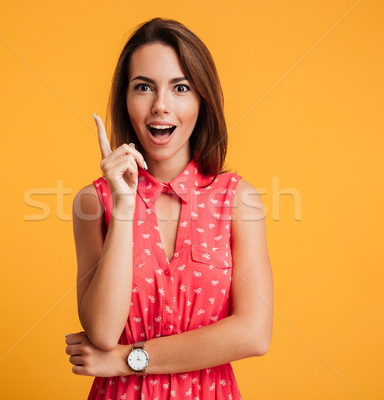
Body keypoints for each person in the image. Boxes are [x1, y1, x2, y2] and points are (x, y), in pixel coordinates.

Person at [66, 17, 273, 399]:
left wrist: (129, 359)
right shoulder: (95, 202)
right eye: (143, 87)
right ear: (125, 100)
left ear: (202, 100)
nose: (161, 106)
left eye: (180, 88)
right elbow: (102, 331)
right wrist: (125, 206)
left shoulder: (238, 199)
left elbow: (254, 333)